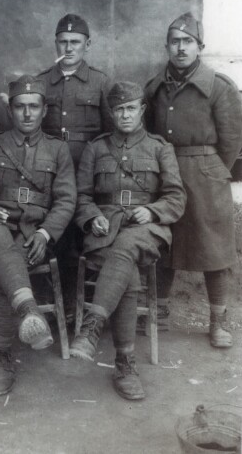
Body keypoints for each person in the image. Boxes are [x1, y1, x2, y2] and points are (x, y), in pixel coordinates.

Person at [0, 75, 76, 396]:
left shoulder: (58, 150)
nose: (27, 113)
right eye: (20, 107)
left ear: (44, 110)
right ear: (10, 110)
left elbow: (66, 200)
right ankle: (29, 311)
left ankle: (2, 358)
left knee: (4, 271)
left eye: (33, 107)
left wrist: (45, 233)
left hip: (33, 239)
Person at [69, 81, 186, 400]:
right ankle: (125, 364)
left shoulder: (160, 147)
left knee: (127, 247)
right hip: (105, 229)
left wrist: (152, 210)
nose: (124, 115)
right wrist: (92, 216)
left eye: (130, 108)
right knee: (127, 267)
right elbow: (81, 196)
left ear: (142, 110)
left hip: (148, 230)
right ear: (111, 112)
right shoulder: (96, 148)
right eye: (118, 109)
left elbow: (176, 198)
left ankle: (93, 325)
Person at [145, 12, 242, 347]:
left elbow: (231, 140)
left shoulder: (218, 85)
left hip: (206, 174)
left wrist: (211, 168)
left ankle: (218, 321)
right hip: (166, 172)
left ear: (200, 46)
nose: (181, 48)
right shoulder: (156, 87)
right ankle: (159, 312)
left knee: (214, 247)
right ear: (167, 46)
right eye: (175, 42)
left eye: (188, 42)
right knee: (163, 242)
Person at [38, 14, 113, 309]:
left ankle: (83, 306)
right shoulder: (43, 81)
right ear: (56, 43)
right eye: (63, 42)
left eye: (75, 43)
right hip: (51, 172)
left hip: (87, 172)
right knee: (55, 236)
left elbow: (110, 132)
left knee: (85, 238)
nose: (68, 49)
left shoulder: (101, 81)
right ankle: (57, 305)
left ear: (88, 44)